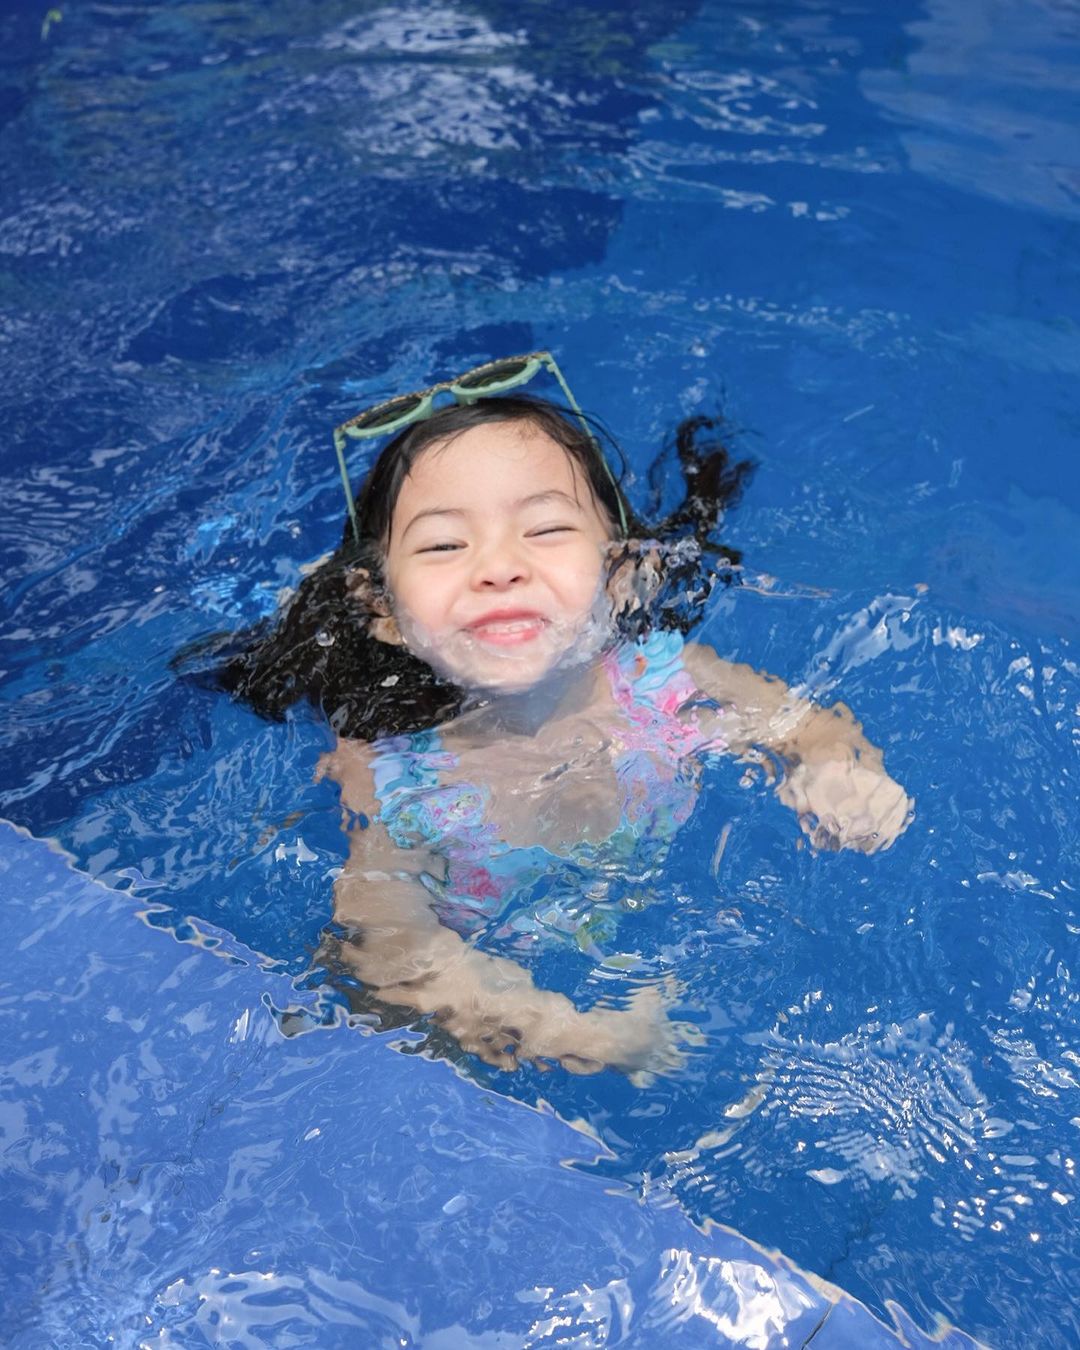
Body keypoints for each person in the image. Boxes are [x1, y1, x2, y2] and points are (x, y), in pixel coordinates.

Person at [204, 352, 912, 1077]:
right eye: (444, 544)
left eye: (544, 530)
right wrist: (560, 1029)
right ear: (383, 609)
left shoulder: (664, 678)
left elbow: (810, 727)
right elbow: (385, 942)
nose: (498, 567)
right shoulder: (389, 762)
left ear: (623, 570)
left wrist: (839, 774)